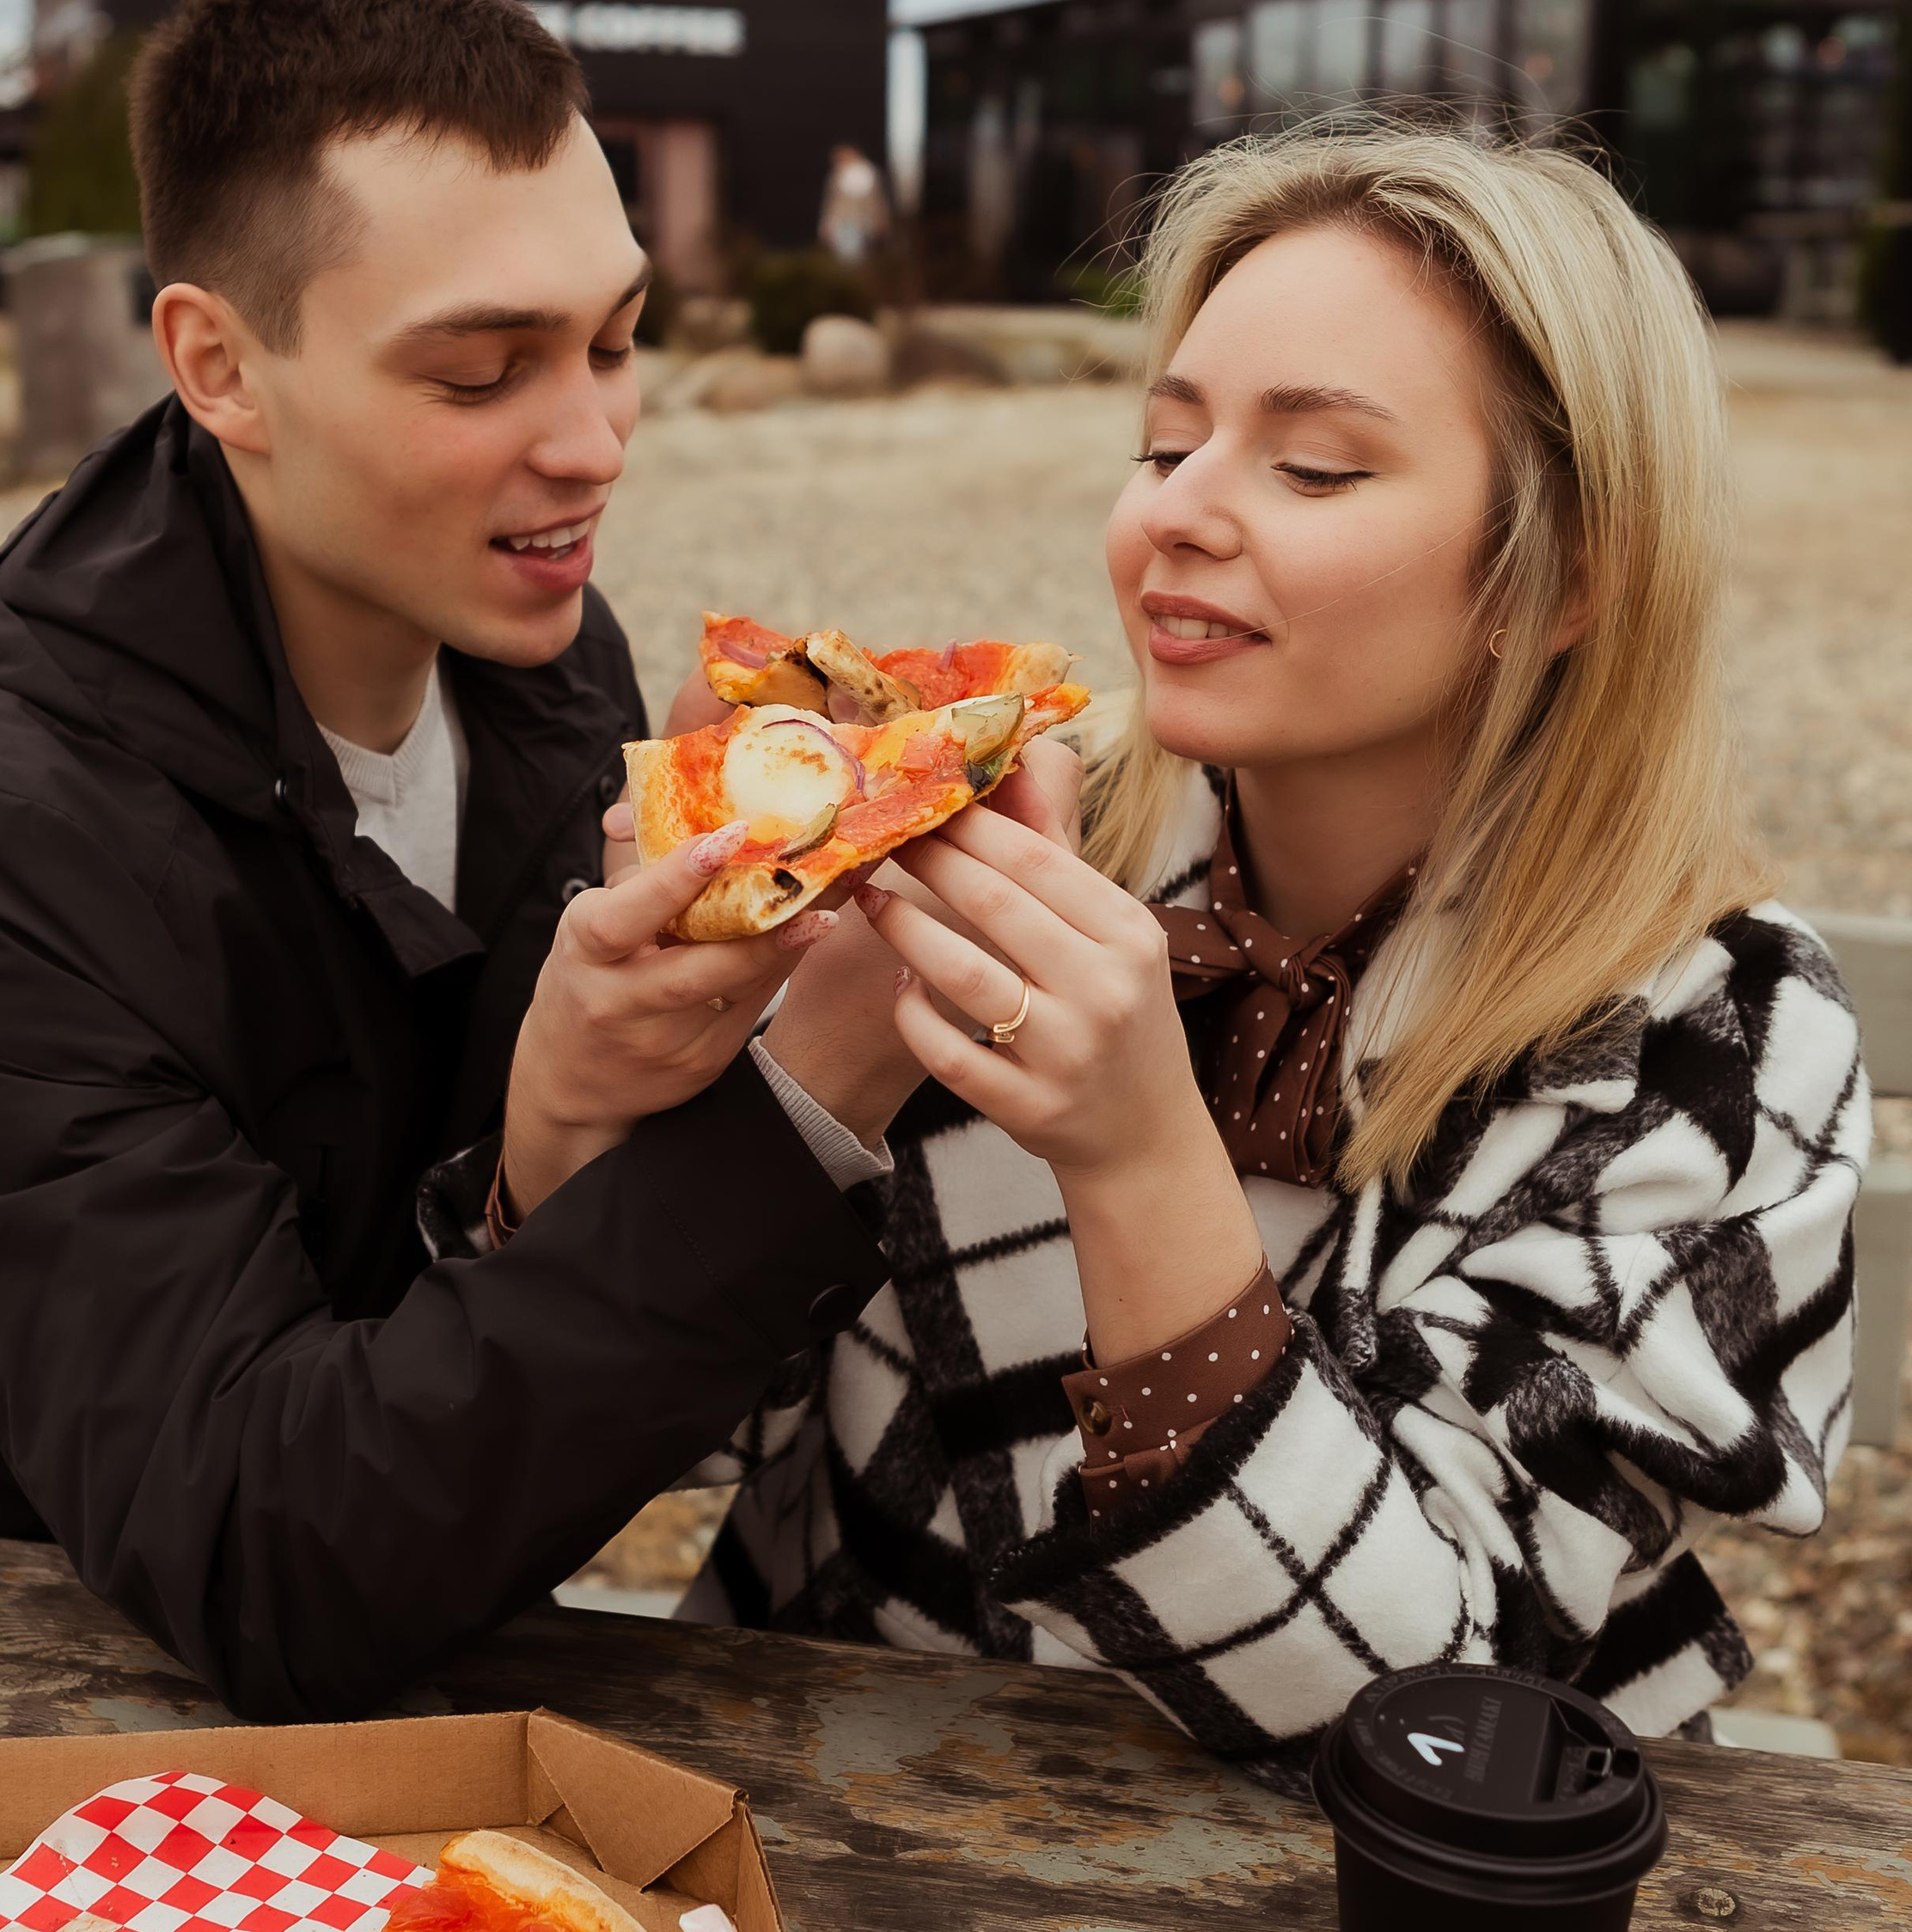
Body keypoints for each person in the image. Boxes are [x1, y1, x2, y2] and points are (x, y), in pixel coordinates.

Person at [0, 0, 903, 1720]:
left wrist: (709, 964)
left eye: (611, 340)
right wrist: (799, 1110)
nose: (591, 440)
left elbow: (485, 1258)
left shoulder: (533, 647)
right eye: (479, 372)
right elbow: (263, 1552)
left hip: (425, 1646)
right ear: (217, 366)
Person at [690, 122, 1867, 1770]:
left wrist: (1133, 1152)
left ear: (1564, 569)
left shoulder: (1717, 1029)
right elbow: (665, 1431)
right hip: (839, 1803)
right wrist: (708, 1073)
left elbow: (1435, 1715)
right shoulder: (999, 826)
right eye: (1166, 446)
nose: (1182, 515)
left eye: (1311, 467)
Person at [817, 143, 889, 267]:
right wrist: (827, 224)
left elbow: (875, 201)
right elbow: (833, 202)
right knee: (846, 260)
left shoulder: (866, 173)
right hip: (843, 224)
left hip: (860, 222)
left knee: (856, 261)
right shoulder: (838, 175)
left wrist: (880, 220)